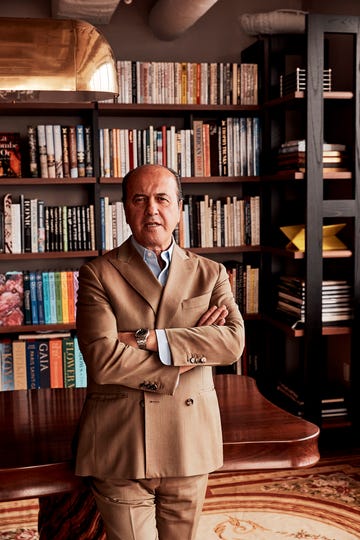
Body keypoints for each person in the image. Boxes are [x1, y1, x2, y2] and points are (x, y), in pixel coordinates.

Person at [74, 163, 245, 540]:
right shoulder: (97, 274)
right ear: (125, 210)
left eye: (162, 199)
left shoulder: (211, 273)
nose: (152, 209)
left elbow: (231, 343)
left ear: (180, 210)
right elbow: (102, 359)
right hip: (120, 445)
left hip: (190, 443)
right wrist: (190, 348)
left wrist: (149, 339)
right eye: (140, 199)